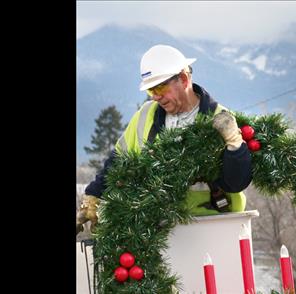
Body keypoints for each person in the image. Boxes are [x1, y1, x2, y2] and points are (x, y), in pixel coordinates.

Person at [77, 44, 252, 234]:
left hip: (216, 224)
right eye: (151, 91)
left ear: (184, 79)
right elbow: (118, 162)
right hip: (161, 228)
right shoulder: (146, 115)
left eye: (160, 87)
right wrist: (93, 195)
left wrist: (235, 144)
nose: (156, 97)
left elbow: (236, 183)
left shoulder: (221, 119)